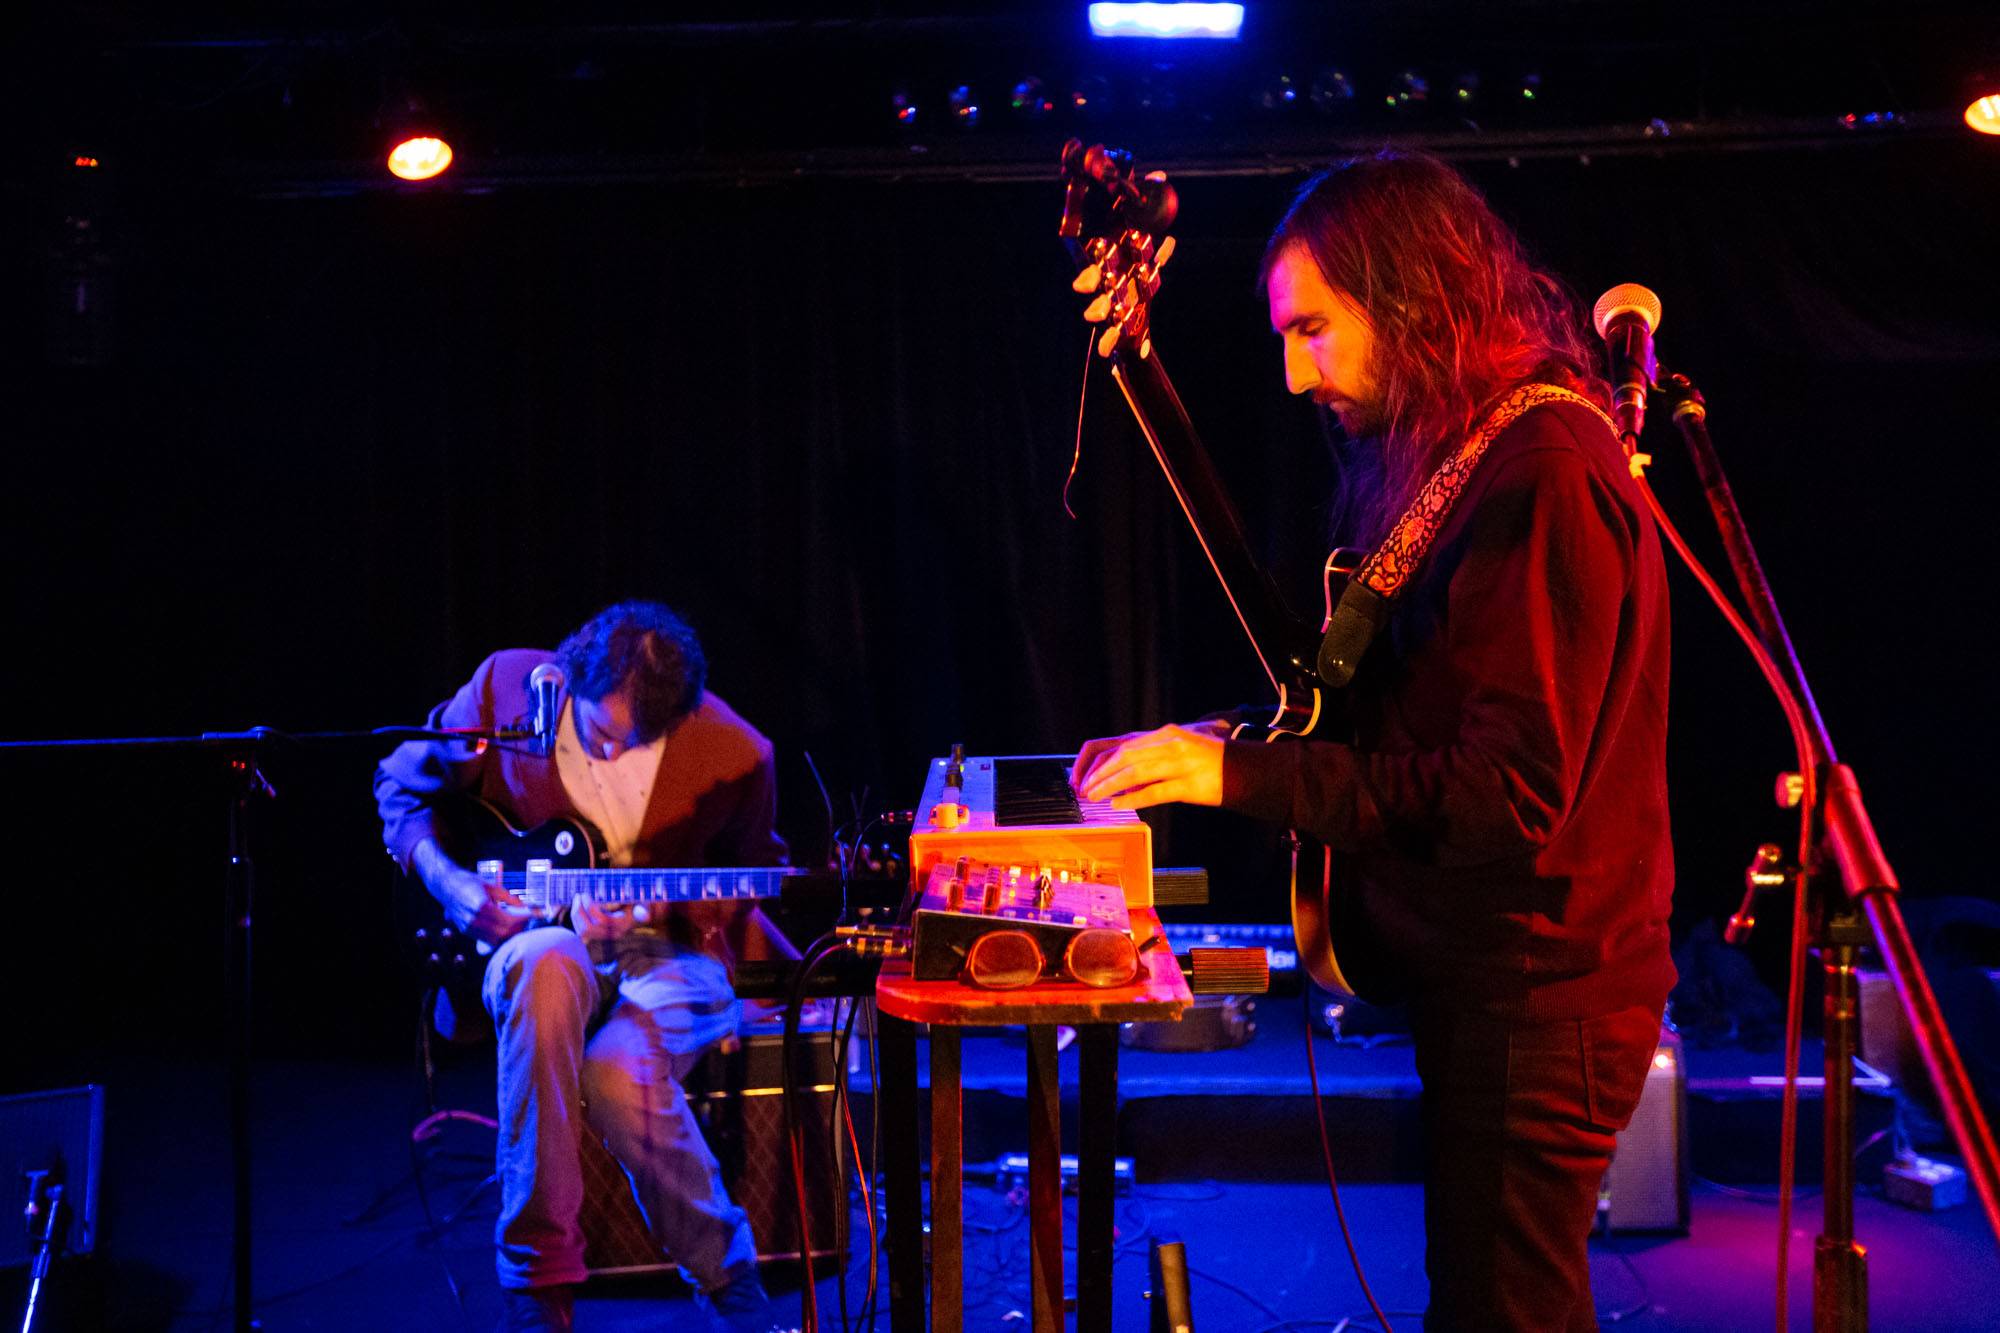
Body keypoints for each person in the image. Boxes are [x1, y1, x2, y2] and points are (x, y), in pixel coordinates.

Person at [1071, 151, 1674, 1332]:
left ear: (1406, 298)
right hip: (1498, 975)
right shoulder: (1464, 452)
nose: (1294, 376)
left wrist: (1235, 776)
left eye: (1312, 331)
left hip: (1541, 985)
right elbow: (1396, 706)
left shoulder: (1542, 470)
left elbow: (1503, 793)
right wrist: (1230, 737)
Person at [375, 600, 798, 1333]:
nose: (608, 758)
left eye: (634, 745)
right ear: (565, 683)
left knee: (614, 1071)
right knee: (540, 960)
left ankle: (730, 1277)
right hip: (536, 938)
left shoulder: (737, 753)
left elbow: (751, 885)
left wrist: (673, 914)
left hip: (668, 956)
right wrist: (453, 885)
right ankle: (538, 1289)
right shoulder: (506, 689)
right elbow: (399, 786)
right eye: (597, 732)